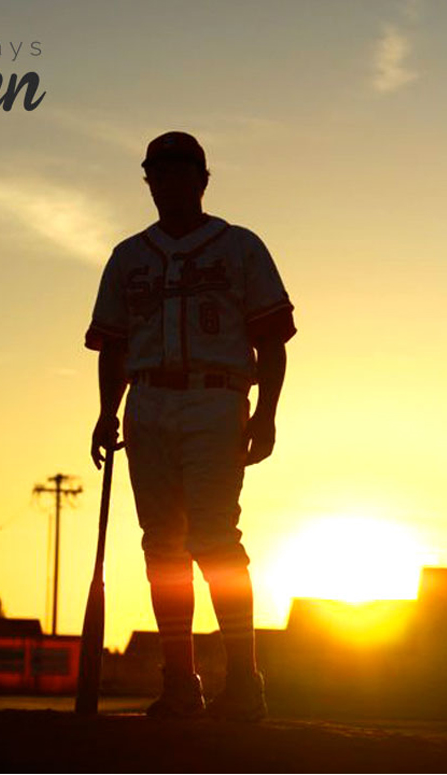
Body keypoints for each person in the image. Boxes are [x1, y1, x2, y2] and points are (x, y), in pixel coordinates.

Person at [84, 131, 296, 721]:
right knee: (162, 547)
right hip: (147, 402)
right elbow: (115, 346)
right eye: (160, 174)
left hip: (216, 398)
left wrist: (266, 413)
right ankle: (180, 680)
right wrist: (106, 411)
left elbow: (272, 339)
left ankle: (244, 682)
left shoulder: (240, 246)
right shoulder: (129, 255)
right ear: (148, 181)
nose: (170, 184)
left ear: (202, 181)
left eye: (181, 174)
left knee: (214, 540)